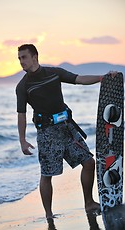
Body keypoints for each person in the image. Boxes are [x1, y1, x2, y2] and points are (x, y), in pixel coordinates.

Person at [15, 44, 115, 219]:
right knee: (47, 175)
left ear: (35, 57)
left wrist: (101, 78)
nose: (21, 61)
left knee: (89, 163)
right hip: (47, 134)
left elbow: (79, 79)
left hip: (67, 129)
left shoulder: (54, 73)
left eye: (24, 57)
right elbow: (21, 115)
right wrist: (22, 140)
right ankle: (48, 214)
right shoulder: (23, 86)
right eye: (19, 58)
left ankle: (89, 203)